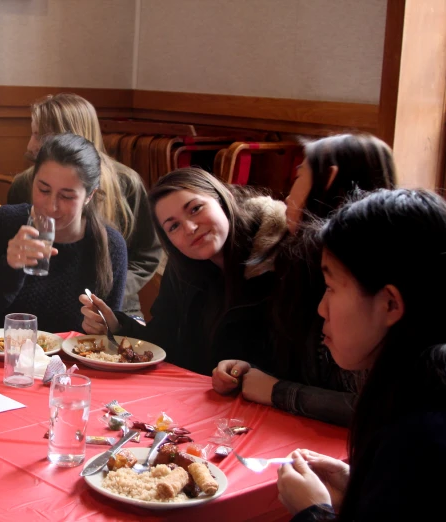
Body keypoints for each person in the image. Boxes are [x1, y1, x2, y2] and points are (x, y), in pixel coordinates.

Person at [276, 189, 446, 521]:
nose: (321, 308)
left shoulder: (422, 433)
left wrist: (314, 513)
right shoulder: (417, 389)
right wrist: (363, 488)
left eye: (331, 287)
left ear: (390, 305)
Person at [212, 134, 397, 426]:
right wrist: (248, 370)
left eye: (299, 176)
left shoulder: (372, 278)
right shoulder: (293, 256)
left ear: (329, 178)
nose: (287, 194)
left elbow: (375, 406)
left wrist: (278, 391)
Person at [80, 167, 287, 375]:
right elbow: (163, 340)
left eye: (195, 209)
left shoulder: (278, 259)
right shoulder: (182, 266)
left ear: (224, 200)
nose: (189, 228)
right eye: (173, 226)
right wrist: (116, 326)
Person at [0, 133, 127, 333]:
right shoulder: (4, 223)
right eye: (43, 190)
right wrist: (8, 269)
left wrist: (109, 329)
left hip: (72, 363)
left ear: (89, 196)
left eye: (67, 196)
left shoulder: (109, 245)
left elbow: (110, 342)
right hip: (2, 360)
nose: (52, 206)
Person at [7, 93, 160, 320]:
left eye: (40, 135)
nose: (31, 145)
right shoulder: (25, 184)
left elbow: (147, 254)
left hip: (116, 311)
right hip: (44, 309)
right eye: (33, 133)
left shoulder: (127, 183)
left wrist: (109, 287)